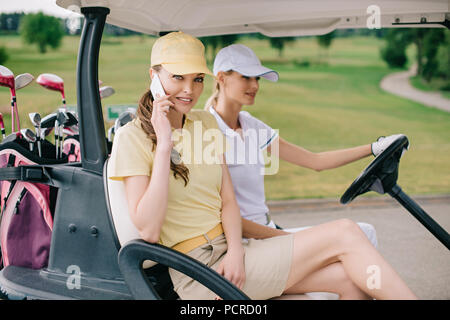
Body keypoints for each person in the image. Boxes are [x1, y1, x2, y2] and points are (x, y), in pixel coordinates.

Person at [108, 31, 417, 300]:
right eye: (178, 78)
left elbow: (227, 200)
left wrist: (237, 253)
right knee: (347, 232)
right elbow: (148, 229)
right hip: (198, 270)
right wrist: (164, 145)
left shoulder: (203, 123)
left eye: (197, 79)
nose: (189, 90)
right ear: (154, 77)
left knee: (350, 280)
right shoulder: (131, 138)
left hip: (234, 250)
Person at [205, 44, 405, 247]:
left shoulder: (250, 125)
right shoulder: (207, 132)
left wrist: (374, 148)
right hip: (249, 242)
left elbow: (315, 161)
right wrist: (284, 238)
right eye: (246, 77)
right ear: (221, 78)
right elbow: (220, 215)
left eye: (257, 78)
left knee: (363, 233)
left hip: (270, 232)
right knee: (356, 236)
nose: (255, 85)